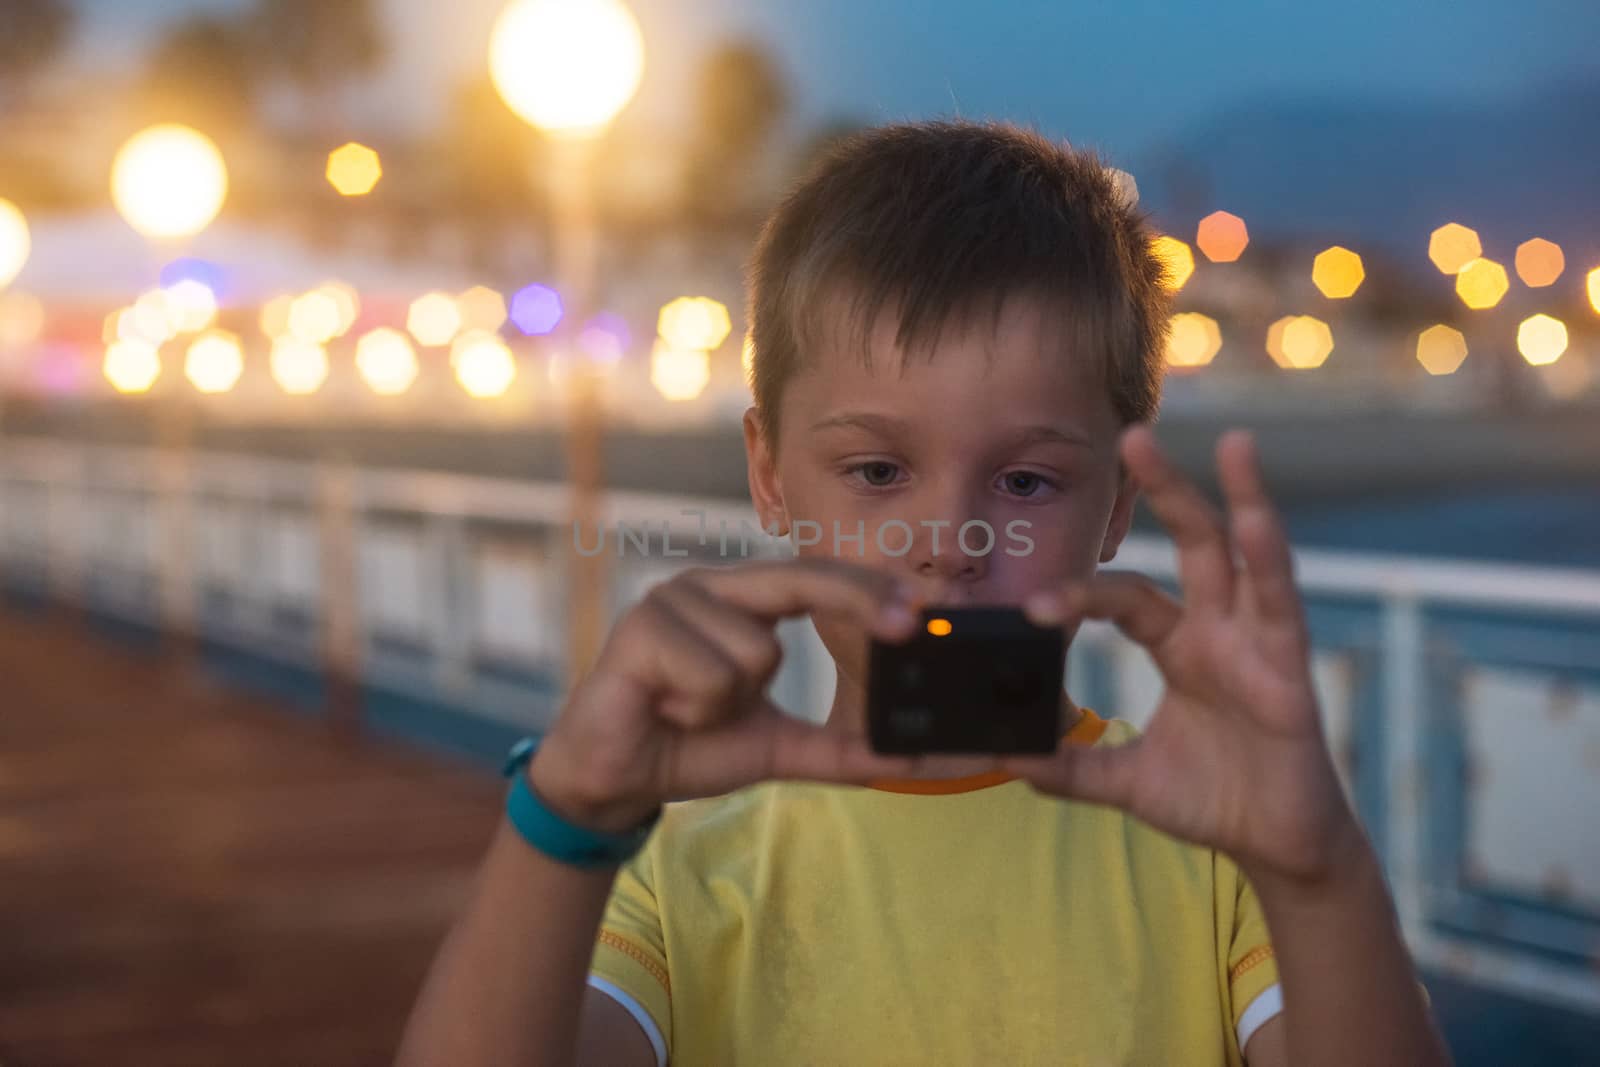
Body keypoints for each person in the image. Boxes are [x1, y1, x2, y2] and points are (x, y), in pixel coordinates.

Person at [397, 120, 1451, 1067]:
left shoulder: (1222, 852)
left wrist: (1320, 878)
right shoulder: (666, 867)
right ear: (770, 475)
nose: (948, 543)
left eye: (1026, 480)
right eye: (876, 472)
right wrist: (566, 817)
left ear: (1116, 504)